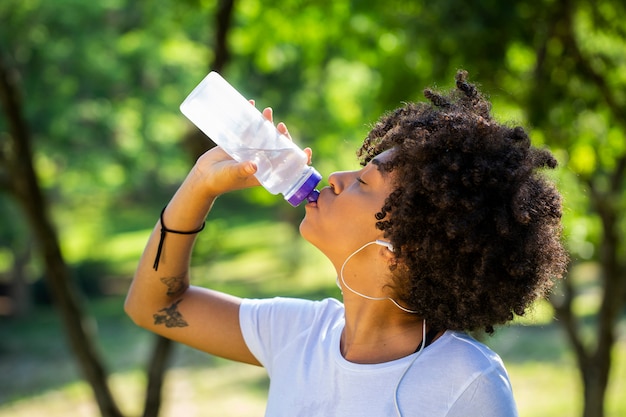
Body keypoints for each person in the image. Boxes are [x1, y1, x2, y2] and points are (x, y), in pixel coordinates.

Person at [125, 70, 568, 416]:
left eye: (363, 182)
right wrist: (201, 184)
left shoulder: (467, 383)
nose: (335, 180)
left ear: (398, 250)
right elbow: (153, 306)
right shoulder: (299, 334)